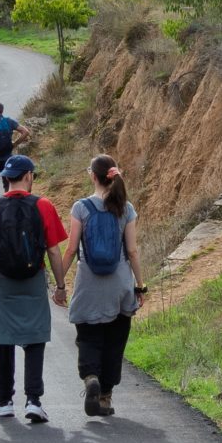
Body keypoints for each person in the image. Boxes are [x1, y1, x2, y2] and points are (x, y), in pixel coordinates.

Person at [0, 154, 69, 423]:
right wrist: (60, 286)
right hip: (33, 279)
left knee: (4, 338)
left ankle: (3, 400)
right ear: (29, 176)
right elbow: (54, 251)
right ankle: (34, 401)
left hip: (5, 282)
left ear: (6, 178)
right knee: (35, 338)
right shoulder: (43, 205)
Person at [64, 154, 143, 418]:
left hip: (89, 282)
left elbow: (72, 248)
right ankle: (106, 397)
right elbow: (132, 251)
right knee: (115, 340)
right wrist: (139, 286)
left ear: (92, 176)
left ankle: (90, 377)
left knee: (88, 334)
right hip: (119, 282)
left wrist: (60, 281)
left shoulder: (81, 208)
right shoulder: (126, 207)